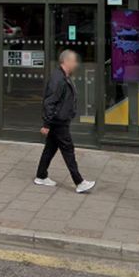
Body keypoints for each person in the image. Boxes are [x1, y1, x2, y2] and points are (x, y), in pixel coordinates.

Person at [34, 50, 96, 194]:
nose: (76, 64)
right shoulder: (58, 79)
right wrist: (47, 124)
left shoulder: (63, 76)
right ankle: (79, 182)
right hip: (58, 121)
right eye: (73, 61)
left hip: (59, 119)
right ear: (65, 61)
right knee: (68, 150)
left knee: (50, 149)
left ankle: (41, 176)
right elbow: (49, 102)